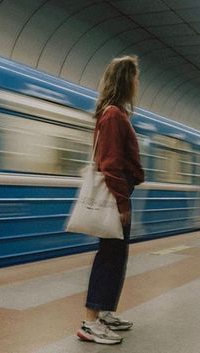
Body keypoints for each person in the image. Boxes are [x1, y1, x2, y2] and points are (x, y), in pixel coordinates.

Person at [77, 55, 144, 345]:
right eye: (135, 77)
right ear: (126, 80)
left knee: (116, 256)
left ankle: (104, 312)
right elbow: (111, 164)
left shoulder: (114, 113)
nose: (137, 83)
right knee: (109, 257)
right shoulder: (114, 115)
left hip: (120, 193)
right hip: (117, 196)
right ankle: (91, 323)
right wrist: (122, 204)